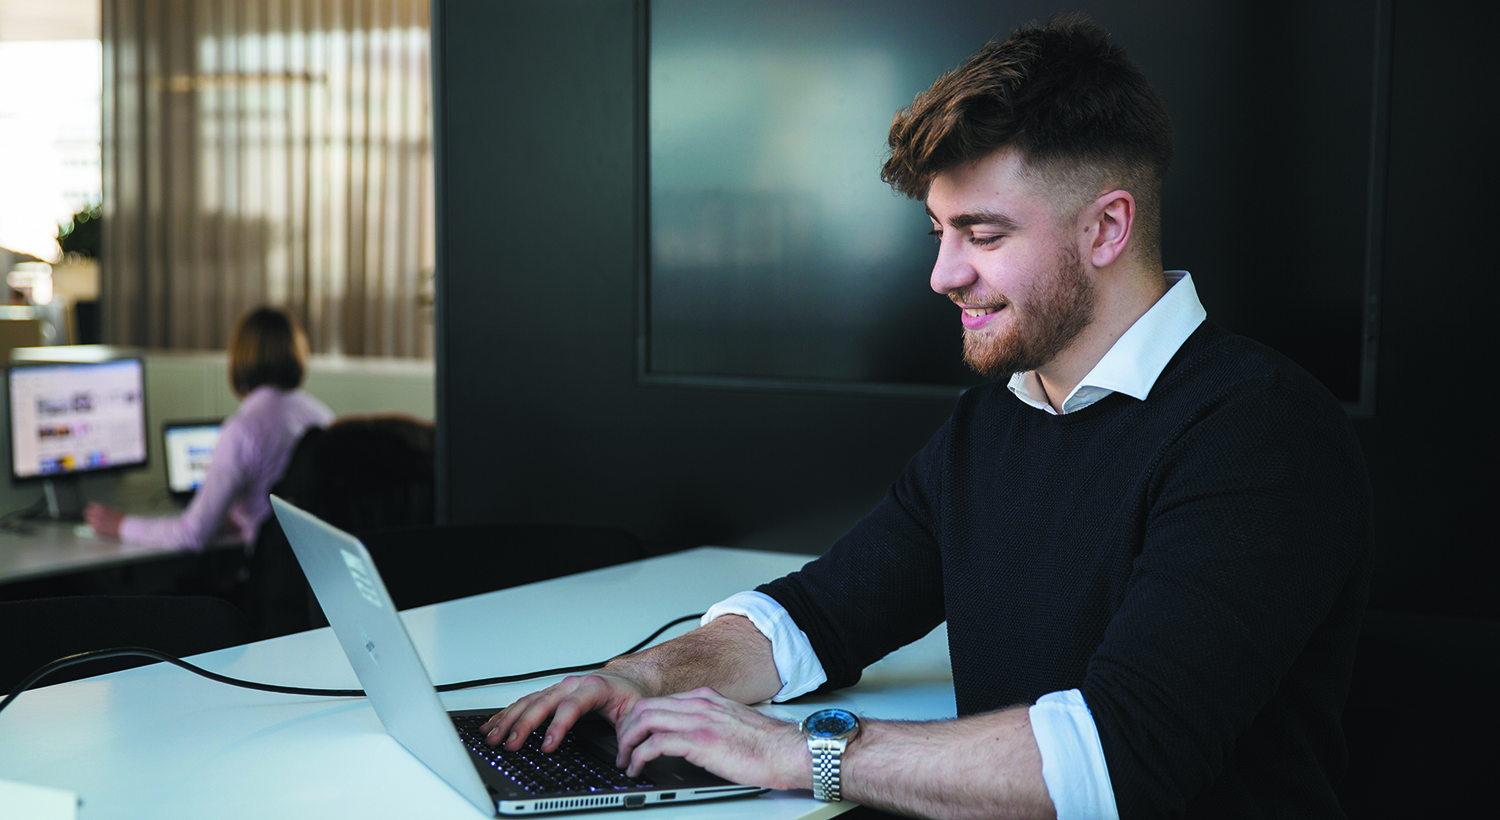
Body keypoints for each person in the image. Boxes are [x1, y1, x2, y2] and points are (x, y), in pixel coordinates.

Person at [482, 15, 1371, 820]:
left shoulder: (1260, 434)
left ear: (1106, 230)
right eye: (938, 234)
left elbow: (1114, 761)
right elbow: (818, 615)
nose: (944, 275)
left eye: (983, 236)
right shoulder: (995, 420)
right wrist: (640, 678)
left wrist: (799, 754)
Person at [85, 306, 335, 550]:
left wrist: (121, 525)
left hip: (270, 575)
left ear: (239, 358)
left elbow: (192, 534)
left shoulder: (243, 431)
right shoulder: (324, 417)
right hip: (315, 573)